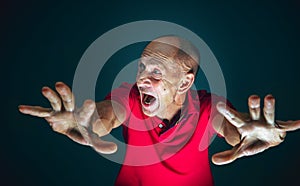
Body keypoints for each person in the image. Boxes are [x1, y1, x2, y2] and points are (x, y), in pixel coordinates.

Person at [19, 36, 300, 186]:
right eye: (142, 67)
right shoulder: (129, 97)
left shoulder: (209, 106)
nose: (142, 78)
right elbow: (104, 116)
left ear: (185, 81)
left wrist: (262, 135)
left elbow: (234, 130)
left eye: (156, 71)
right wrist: (84, 124)